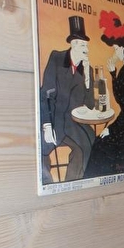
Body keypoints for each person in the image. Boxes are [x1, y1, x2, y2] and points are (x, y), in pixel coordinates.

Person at [40, 16, 95, 183]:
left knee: (88, 146)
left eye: (86, 45)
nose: (86, 49)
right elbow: (45, 94)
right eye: (83, 45)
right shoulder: (57, 58)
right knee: (38, 150)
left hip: (73, 124)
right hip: (53, 119)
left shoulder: (87, 69)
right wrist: (47, 125)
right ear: (74, 44)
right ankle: (48, 184)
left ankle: (73, 185)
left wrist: (87, 80)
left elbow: (90, 105)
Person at [83, 10, 124, 178]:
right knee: (99, 142)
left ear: (122, 47)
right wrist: (113, 73)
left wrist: (111, 130)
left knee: (100, 145)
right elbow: (122, 100)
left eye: (115, 48)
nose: (115, 52)